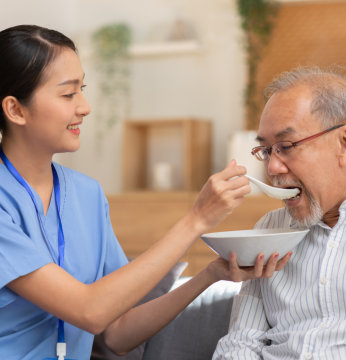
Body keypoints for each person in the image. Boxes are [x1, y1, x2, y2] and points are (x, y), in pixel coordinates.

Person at [0, 25, 291, 360]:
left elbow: (117, 334)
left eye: (83, 90)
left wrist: (211, 274)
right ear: (15, 110)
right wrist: (196, 220)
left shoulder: (87, 195)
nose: (85, 107)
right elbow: (89, 311)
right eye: (68, 95)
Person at [213, 64, 346, 359]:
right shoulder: (268, 230)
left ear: (345, 143)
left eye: (287, 146)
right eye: (267, 150)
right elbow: (241, 341)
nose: (272, 169)